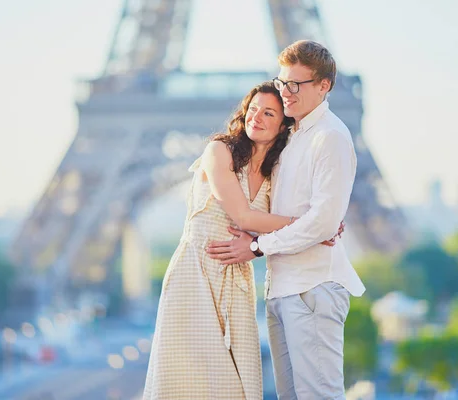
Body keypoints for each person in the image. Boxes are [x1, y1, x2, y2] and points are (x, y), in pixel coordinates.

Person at [142, 81, 340, 399]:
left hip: (237, 282)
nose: (256, 117)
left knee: (237, 387)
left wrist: (321, 225)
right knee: (187, 380)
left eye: (268, 113)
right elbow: (245, 217)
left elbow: (282, 228)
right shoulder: (218, 151)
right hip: (195, 274)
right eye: (252, 109)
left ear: (283, 125)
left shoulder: (279, 175)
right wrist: (313, 226)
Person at [206, 40, 366, 399]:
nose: (286, 93)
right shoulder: (290, 137)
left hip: (312, 288)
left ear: (324, 86)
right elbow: (265, 208)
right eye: (282, 83)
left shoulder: (331, 138)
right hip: (282, 289)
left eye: (296, 84)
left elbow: (322, 222)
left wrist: (259, 247)